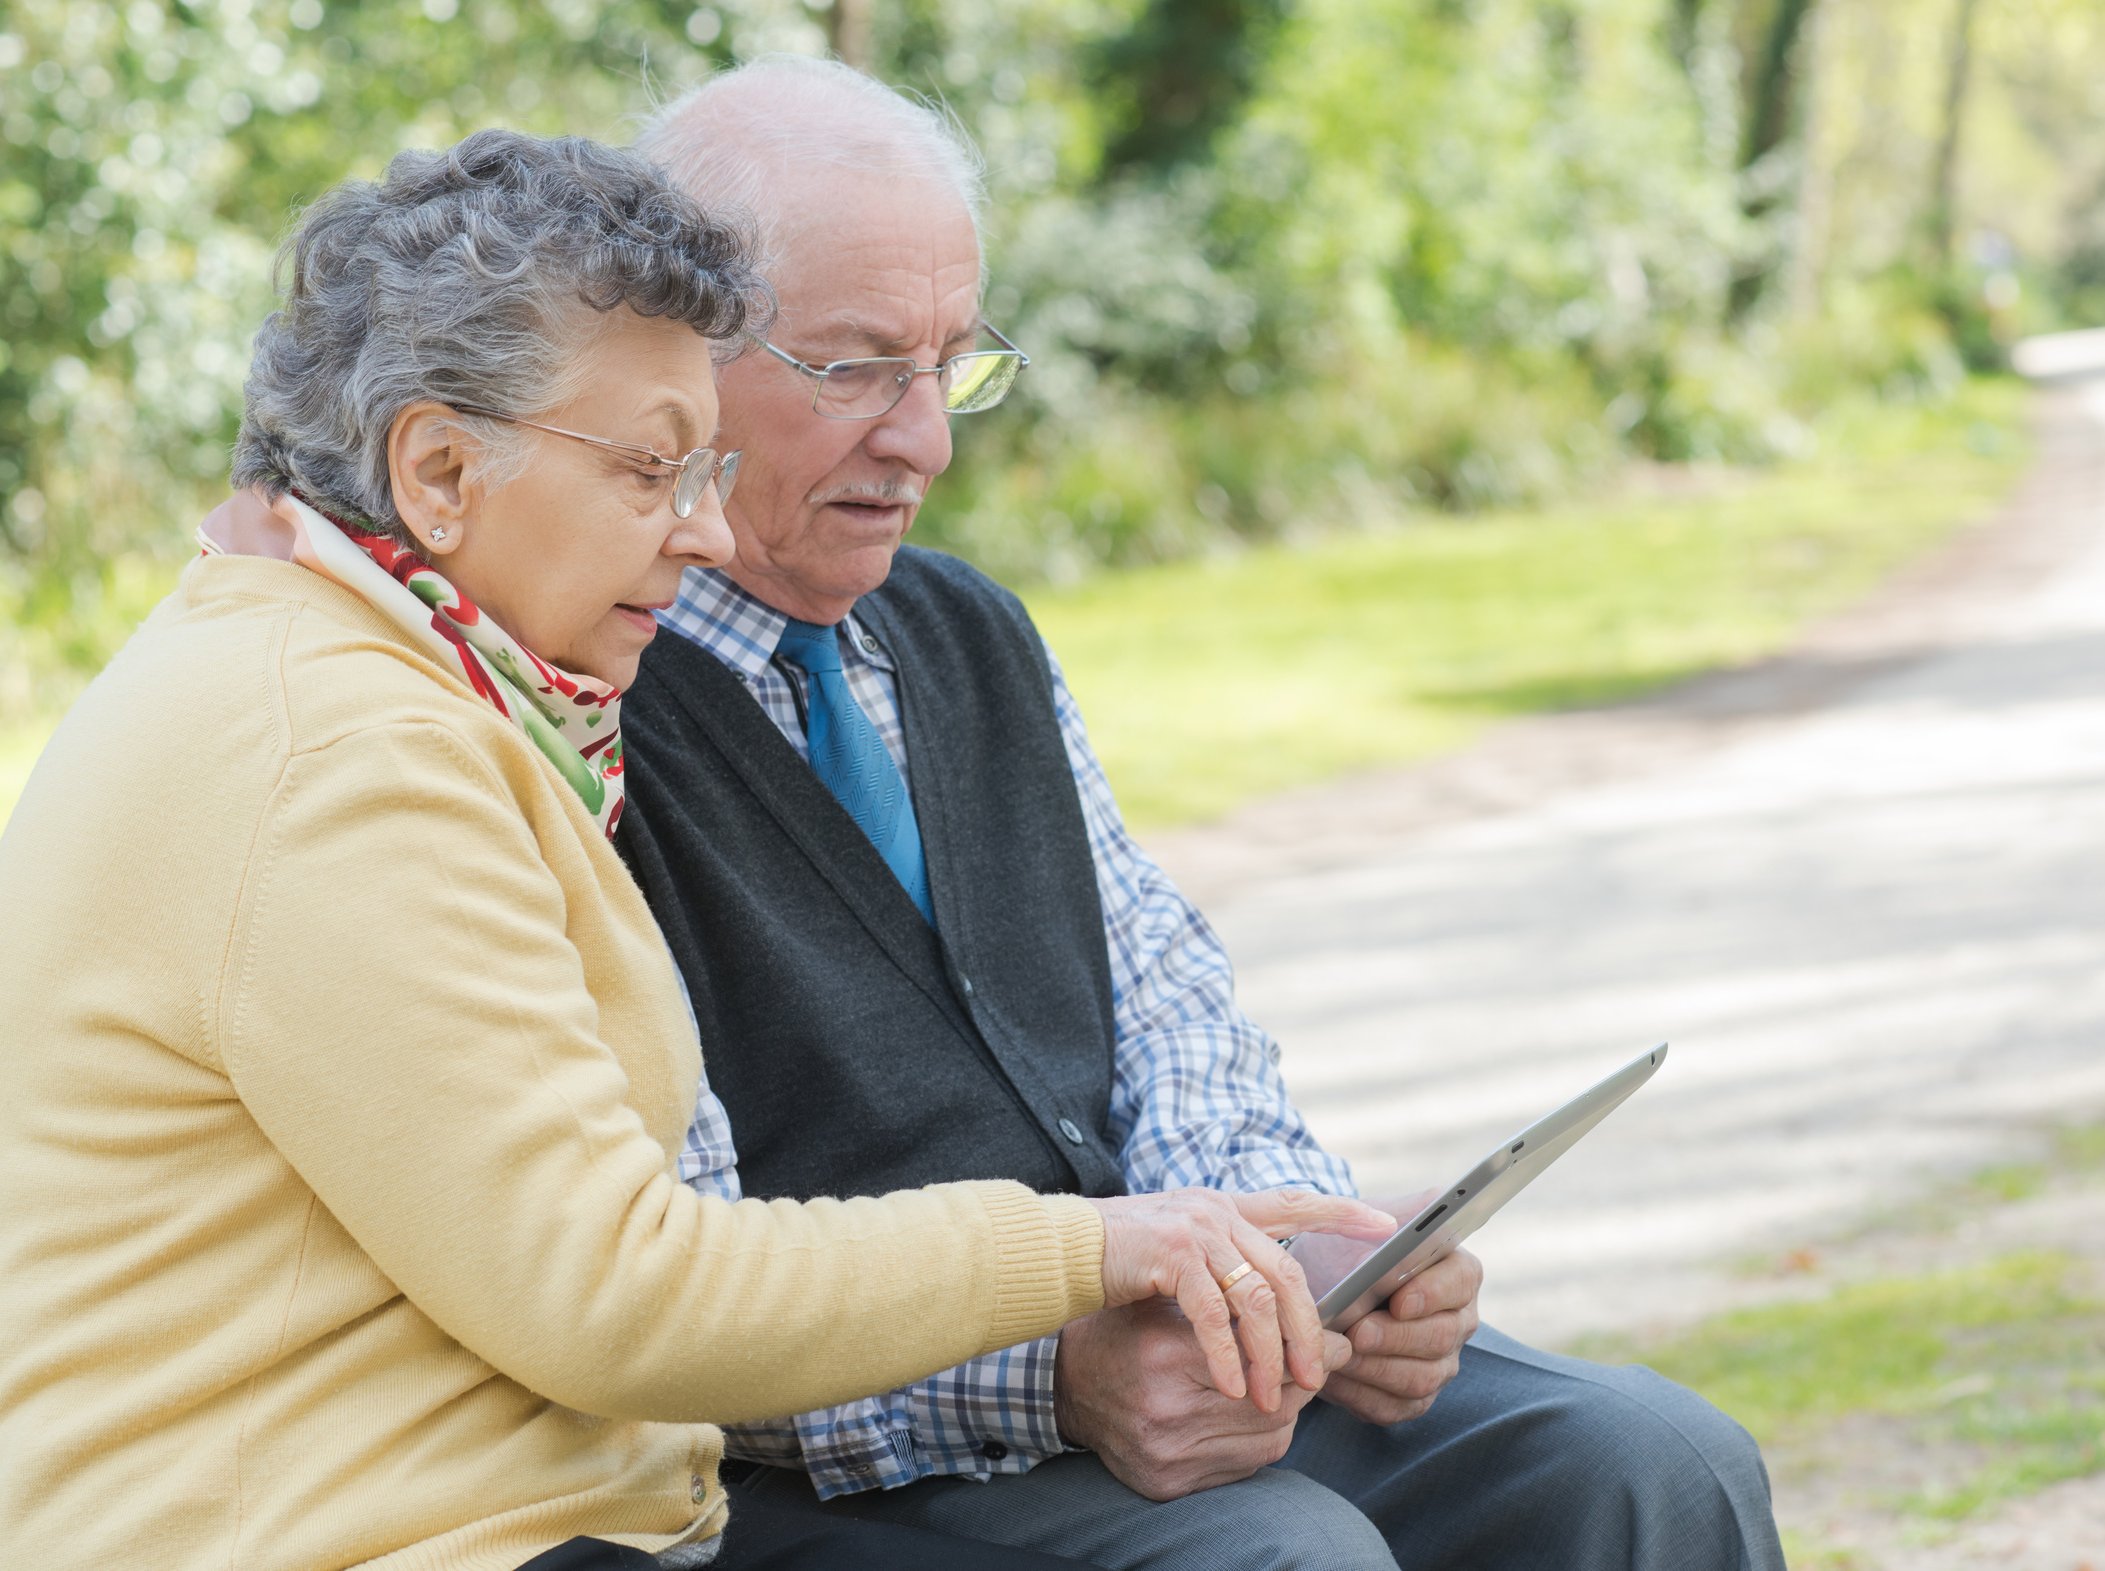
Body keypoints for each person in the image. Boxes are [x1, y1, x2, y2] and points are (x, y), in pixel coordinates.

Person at [0, 128, 1394, 1571]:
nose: (707, 531)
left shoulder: (411, 686)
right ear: (436, 472)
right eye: (653, 470)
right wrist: (1097, 1250)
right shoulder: (343, 755)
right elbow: (614, 1292)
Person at [614, 57, 1791, 1571]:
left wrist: (1299, 1262)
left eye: (952, 364)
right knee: (1286, 1561)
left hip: (1158, 1355)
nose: (926, 440)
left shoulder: (966, 634)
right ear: (671, 363)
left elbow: (1168, 1006)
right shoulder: (579, 703)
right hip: (842, 1459)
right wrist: (1053, 1378)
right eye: (854, 368)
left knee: (1650, 1464)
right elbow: (656, 1277)